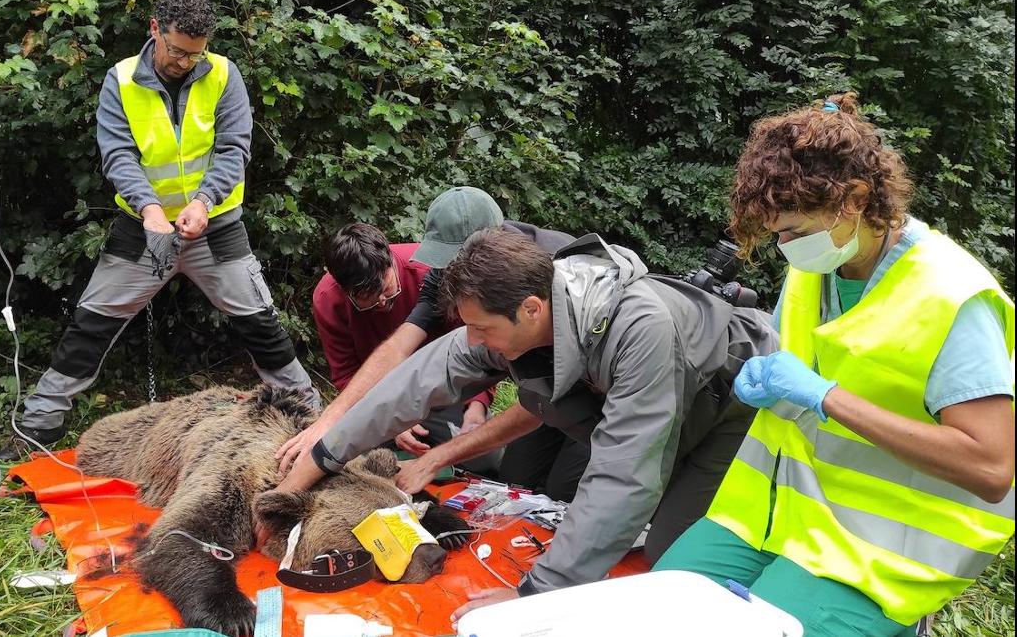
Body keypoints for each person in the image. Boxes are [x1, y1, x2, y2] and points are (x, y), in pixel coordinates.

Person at [264, 228, 778, 621]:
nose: (474, 342)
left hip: (730, 411)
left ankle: (776, 573)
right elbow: (410, 384)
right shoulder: (513, 314)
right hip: (667, 414)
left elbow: (625, 475)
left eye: (483, 330)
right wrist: (315, 463)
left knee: (671, 554)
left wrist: (534, 596)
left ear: (531, 310)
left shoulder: (639, 328)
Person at [654, 93, 1015, 637]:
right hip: (773, 515)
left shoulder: (952, 296)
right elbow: (801, 365)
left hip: (884, 547)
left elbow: (991, 470)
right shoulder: (819, 265)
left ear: (855, 199)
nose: (785, 248)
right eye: (777, 234)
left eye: (794, 232)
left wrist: (825, 397)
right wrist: (770, 382)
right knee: (660, 607)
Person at [0, 0, 317, 459]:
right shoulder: (120, 79)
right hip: (142, 231)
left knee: (261, 325)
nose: (185, 62)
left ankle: (315, 421)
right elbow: (118, 155)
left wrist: (204, 202)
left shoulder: (225, 74)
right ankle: (36, 428)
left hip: (217, 228)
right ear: (155, 30)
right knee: (91, 324)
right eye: (177, 51)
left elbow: (234, 149)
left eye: (196, 54)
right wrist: (150, 211)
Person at [280, 186, 589, 499]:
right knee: (517, 482)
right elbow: (402, 346)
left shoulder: (549, 278)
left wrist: (443, 450)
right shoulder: (450, 272)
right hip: (541, 389)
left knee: (566, 491)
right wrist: (330, 424)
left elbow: (540, 402)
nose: (448, 272)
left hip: (597, 395)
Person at [312, 222, 496, 472]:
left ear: (389, 261)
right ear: (345, 291)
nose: (382, 302)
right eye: (369, 299)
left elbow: (478, 343)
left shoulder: (431, 270)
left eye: (387, 290)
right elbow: (346, 375)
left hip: (442, 394)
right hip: (375, 402)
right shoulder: (327, 299)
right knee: (346, 463)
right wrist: (394, 419)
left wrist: (476, 406)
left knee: (488, 460)